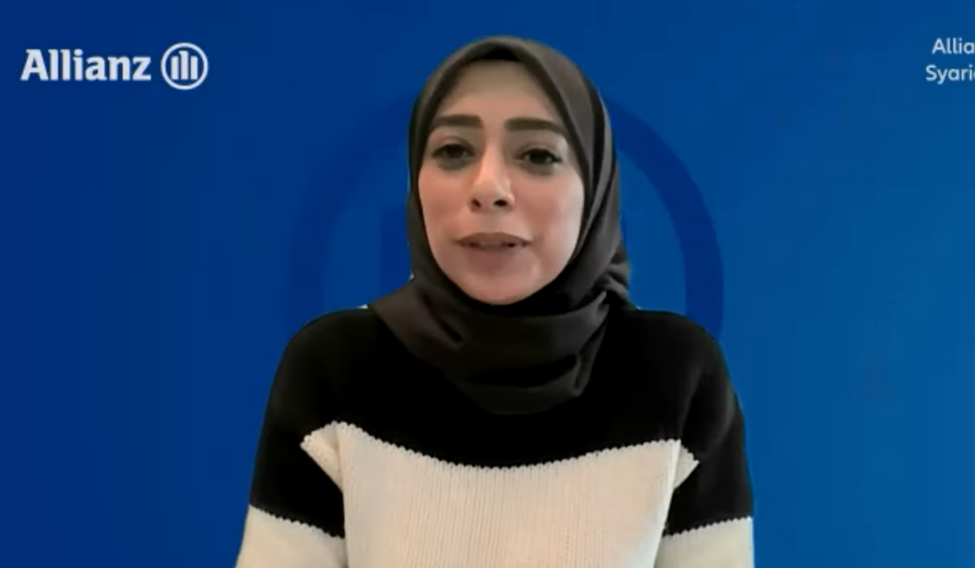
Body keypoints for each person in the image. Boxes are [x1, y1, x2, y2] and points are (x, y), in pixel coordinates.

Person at [234, 35, 754, 568]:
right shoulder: (334, 368)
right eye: (453, 151)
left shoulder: (676, 375)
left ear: (595, 188)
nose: (488, 187)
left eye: (538, 155)